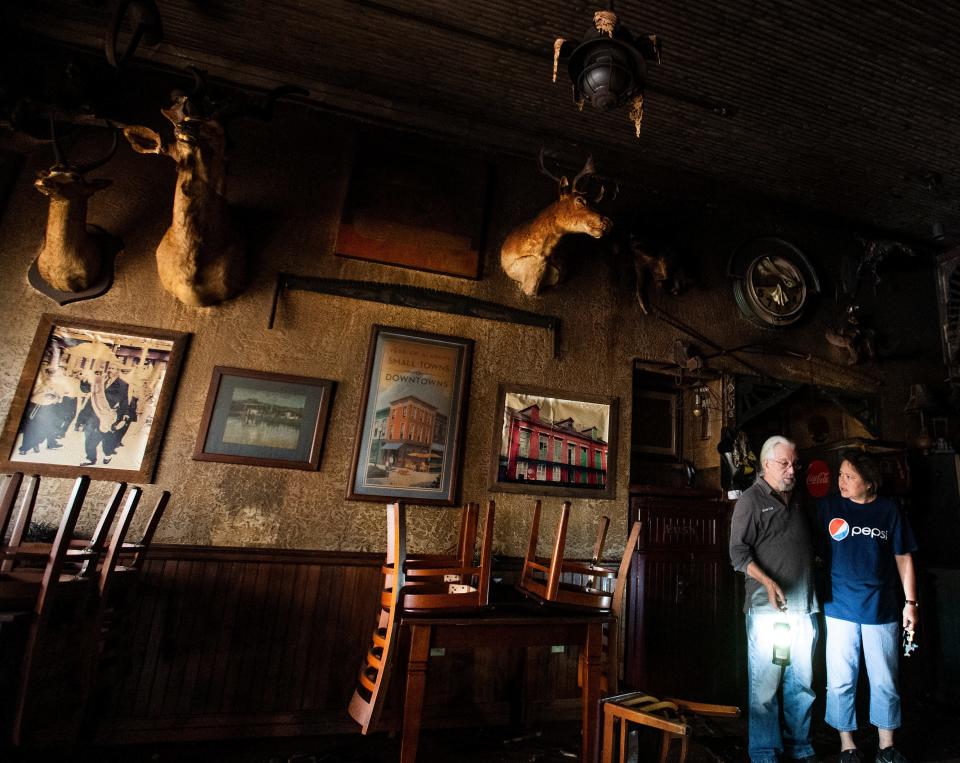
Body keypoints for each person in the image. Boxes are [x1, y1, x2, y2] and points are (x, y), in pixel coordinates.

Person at [816, 451, 918, 763]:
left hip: (881, 608)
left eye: (849, 476)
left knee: (884, 678)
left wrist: (911, 603)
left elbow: (904, 558)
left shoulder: (889, 511)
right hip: (839, 607)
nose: (841, 481)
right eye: (840, 475)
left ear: (869, 483)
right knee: (841, 678)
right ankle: (847, 744)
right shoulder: (829, 507)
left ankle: (886, 746)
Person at [730, 435, 820, 763]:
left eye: (795, 463)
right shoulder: (750, 501)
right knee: (765, 689)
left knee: (802, 686)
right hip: (767, 611)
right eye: (784, 463)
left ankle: (801, 747)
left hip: (804, 607)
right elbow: (737, 554)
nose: (792, 470)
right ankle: (765, 753)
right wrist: (767, 581)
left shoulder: (799, 500)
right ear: (766, 464)